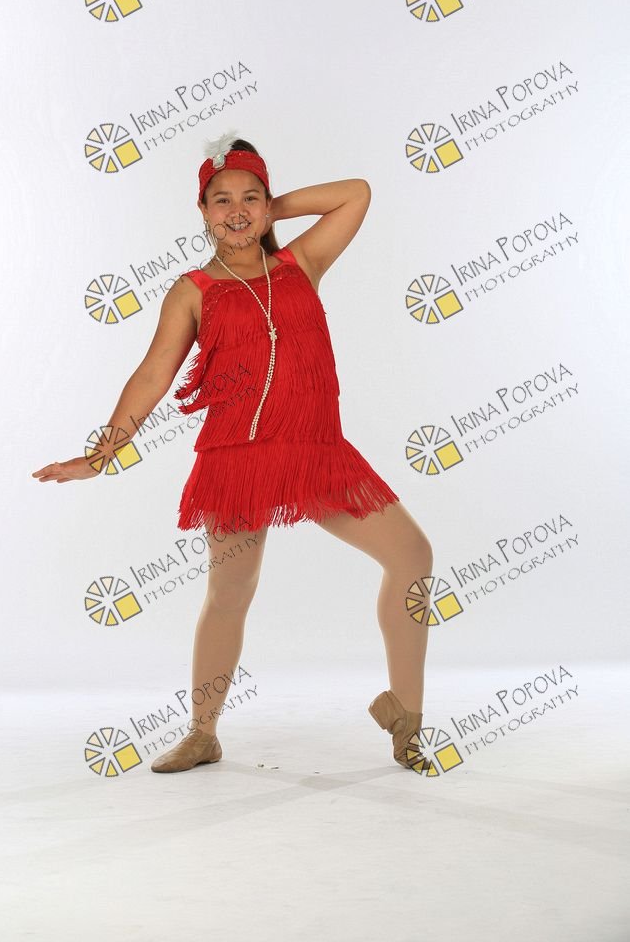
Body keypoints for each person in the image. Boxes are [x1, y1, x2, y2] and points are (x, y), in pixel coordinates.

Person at [32, 131, 434, 775]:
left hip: (315, 450)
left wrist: (274, 208)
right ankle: (203, 733)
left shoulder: (302, 264)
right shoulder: (192, 290)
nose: (237, 211)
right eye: (222, 200)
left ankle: (405, 717)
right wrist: (102, 452)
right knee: (230, 592)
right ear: (202, 210)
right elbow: (152, 374)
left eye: (251, 198)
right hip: (237, 460)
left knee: (412, 555)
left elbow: (355, 194)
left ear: (267, 206)